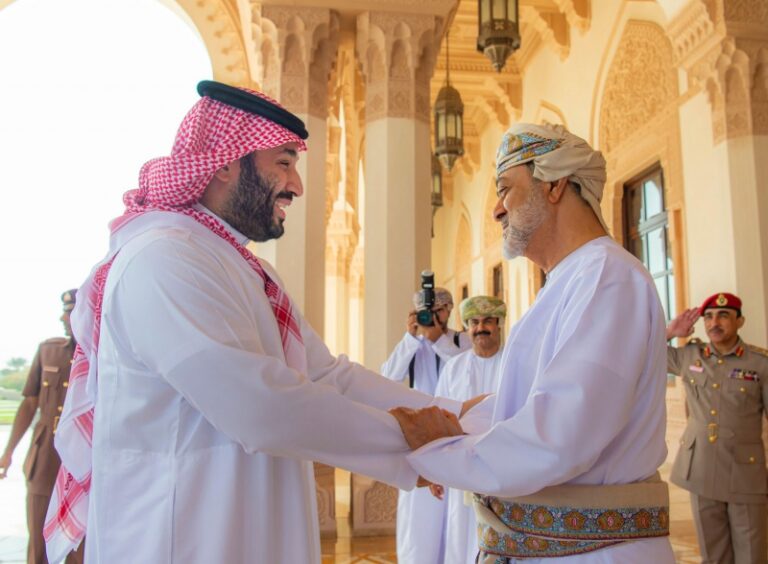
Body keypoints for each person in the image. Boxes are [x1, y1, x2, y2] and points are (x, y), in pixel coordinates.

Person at [42, 81, 477, 564]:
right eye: (283, 163)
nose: (297, 185)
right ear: (225, 163)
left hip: (248, 527)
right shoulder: (162, 259)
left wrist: (452, 414)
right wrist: (413, 440)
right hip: (181, 537)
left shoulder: (244, 270)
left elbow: (327, 376)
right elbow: (261, 407)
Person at [390, 123, 674, 562]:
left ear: (554, 185)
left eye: (505, 189)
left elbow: (561, 432)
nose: (496, 211)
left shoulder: (607, 276)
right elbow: (531, 403)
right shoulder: (569, 280)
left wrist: (440, 451)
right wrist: (459, 418)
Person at [666, 292, 768, 564]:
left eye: (723, 315)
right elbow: (641, 353)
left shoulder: (760, 364)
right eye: (708, 317)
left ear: (740, 321)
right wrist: (670, 332)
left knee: (751, 554)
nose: (714, 323)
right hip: (700, 468)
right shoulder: (690, 356)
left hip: (745, 474)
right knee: (713, 555)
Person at [381, 287, 470, 563]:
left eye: (438, 311)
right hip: (419, 437)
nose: (432, 317)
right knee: (420, 516)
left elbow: (466, 369)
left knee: (454, 514)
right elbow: (388, 377)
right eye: (426, 312)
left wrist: (438, 340)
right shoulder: (412, 345)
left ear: (449, 310)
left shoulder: (462, 340)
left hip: (455, 434)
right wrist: (411, 339)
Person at [0, 290, 84, 564]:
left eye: (69, 311)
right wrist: (8, 452)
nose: (63, 318)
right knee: (38, 542)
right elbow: (29, 404)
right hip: (45, 456)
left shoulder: (101, 355)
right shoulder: (48, 351)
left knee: (79, 546)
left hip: (81, 459)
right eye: (64, 311)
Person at [431, 295, 506, 564]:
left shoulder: (514, 364)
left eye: (487, 321)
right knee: (461, 535)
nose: (480, 328)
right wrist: (435, 468)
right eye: (474, 322)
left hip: (503, 467)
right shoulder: (454, 368)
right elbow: (439, 417)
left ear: (499, 324)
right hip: (462, 465)